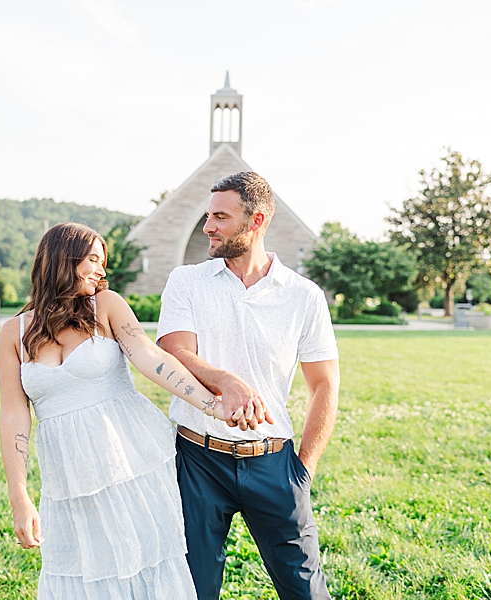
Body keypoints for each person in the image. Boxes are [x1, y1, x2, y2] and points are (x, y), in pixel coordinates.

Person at [0, 222, 266, 599]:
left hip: (132, 461)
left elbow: (150, 357)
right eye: (93, 259)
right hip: (69, 476)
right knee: (81, 574)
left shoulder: (105, 306)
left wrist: (213, 404)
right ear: (62, 258)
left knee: (144, 564)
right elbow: (13, 416)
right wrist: (19, 496)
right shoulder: (14, 333)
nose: (102, 270)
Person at [158, 171, 341, 599]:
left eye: (220, 217)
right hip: (197, 461)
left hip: (274, 463)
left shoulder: (304, 296)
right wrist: (226, 381)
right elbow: (175, 354)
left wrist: (304, 470)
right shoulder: (185, 282)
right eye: (208, 216)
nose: (208, 227)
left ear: (256, 221)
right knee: (191, 591)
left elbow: (325, 385)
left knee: (306, 592)